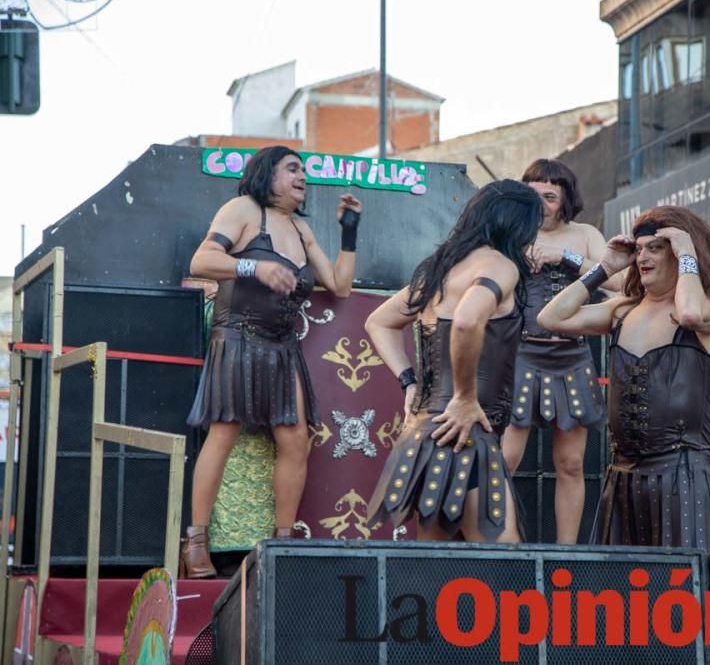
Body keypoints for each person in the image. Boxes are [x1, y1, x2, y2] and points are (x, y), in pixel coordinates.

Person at [182, 146, 363, 577]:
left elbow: (339, 285)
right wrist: (253, 268)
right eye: (293, 168)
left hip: (282, 348)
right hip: (238, 337)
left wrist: (350, 232)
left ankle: (282, 543)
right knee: (223, 433)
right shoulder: (243, 209)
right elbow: (201, 260)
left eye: (305, 171)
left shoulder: (302, 230)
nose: (303, 177)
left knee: (295, 440)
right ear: (268, 174)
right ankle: (197, 545)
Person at [537, 205, 710, 550]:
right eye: (640, 249)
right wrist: (604, 269)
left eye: (655, 248)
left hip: (681, 473)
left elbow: (688, 313)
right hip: (623, 474)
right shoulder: (623, 309)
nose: (642, 257)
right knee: (621, 592)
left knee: (682, 589)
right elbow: (551, 318)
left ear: (680, 252)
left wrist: (688, 252)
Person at [366, 179, 542, 542]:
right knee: (505, 568)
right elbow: (465, 320)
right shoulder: (499, 265)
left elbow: (379, 322)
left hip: (429, 433)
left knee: (436, 573)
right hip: (465, 436)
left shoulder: (442, 269)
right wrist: (464, 397)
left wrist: (409, 382)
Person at [501, 159, 617, 544]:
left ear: (566, 200)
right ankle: (499, 541)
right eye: (533, 196)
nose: (541, 205)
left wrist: (563, 257)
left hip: (571, 355)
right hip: (521, 351)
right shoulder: (510, 232)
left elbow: (617, 280)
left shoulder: (585, 233)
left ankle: (568, 553)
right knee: (505, 460)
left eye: (550, 197)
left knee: (570, 463)